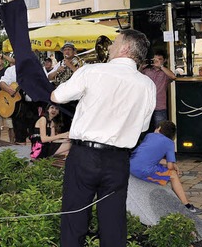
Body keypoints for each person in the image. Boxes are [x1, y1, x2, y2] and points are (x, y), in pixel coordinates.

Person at [51, 29, 156, 246]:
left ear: (125, 48)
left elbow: (57, 96)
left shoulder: (92, 71)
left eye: (115, 43)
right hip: (118, 159)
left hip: (84, 155)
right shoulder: (148, 85)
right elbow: (143, 127)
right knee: (113, 223)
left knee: (74, 219)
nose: (110, 47)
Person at [129, 120, 202, 213]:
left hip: (130, 164)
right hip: (141, 171)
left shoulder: (149, 136)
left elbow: (151, 156)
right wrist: (172, 164)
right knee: (173, 175)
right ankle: (187, 205)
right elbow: (170, 167)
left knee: (160, 167)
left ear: (159, 128)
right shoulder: (170, 143)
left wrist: (169, 163)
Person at [141, 49, 176, 131]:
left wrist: (161, 66)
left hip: (159, 106)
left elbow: (173, 76)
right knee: (143, 130)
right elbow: (135, 77)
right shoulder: (146, 71)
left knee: (161, 130)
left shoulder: (165, 73)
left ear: (164, 60)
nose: (156, 61)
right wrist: (140, 66)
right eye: (155, 59)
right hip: (146, 106)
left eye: (159, 59)